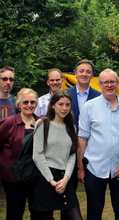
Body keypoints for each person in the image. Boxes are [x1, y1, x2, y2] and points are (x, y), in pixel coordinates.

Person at [78, 69, 119, 220]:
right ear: (100, 84)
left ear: (118, 83)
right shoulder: (89, 107)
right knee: (94, 213)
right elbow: (82, 138)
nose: (109, 85)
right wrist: (81, 167)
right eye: (105, 82)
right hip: (95, 167)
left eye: (112, 82)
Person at [33, 89, 82, 220]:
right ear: (53, 105)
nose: (64, 108)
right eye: (61, 104)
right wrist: (51, 181)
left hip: (64, 177)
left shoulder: (71, 127)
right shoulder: (42, 124)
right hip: (45, 178)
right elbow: (37, 156)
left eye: (67, 105)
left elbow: (72, 156)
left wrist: (65, 179)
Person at [0, 88, 40, 220]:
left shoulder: (42, 123)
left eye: (32, 102)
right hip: (13, 177)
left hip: (36, 175)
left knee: (38, 211)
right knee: (15, 212)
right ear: (19, 104)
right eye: (25, 102)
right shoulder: (8, 123)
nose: (29, 105)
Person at [65, 60, 101, 191]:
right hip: (67, 147)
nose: (84, 74)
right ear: (75, 74)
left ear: (92, 76)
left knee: (93, 190)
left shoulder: (99, 97)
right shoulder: (65, 95)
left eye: (88, 72)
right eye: (81, 71)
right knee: (68, 190)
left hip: (92, 148)